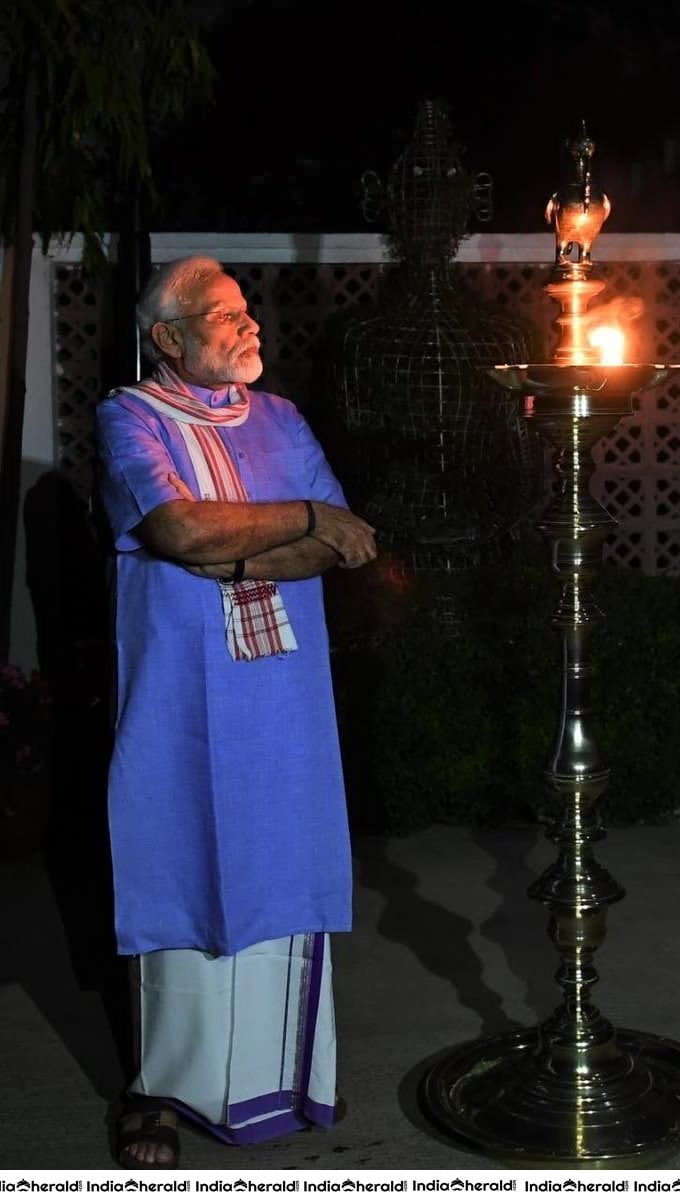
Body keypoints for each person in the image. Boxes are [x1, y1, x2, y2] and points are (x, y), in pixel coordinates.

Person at [94, 255, 377, 1168]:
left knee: (280, 861)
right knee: (179, 857)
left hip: (283, 694)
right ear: (169, 338)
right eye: (223, 314)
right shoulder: (128, 415)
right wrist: (290, 518)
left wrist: (241, 550)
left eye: (248, 310)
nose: (248, 326)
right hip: (181, 690)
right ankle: (161, 1088)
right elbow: (174, 528)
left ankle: (280, 1080)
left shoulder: (283, 420)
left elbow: (343, 540)